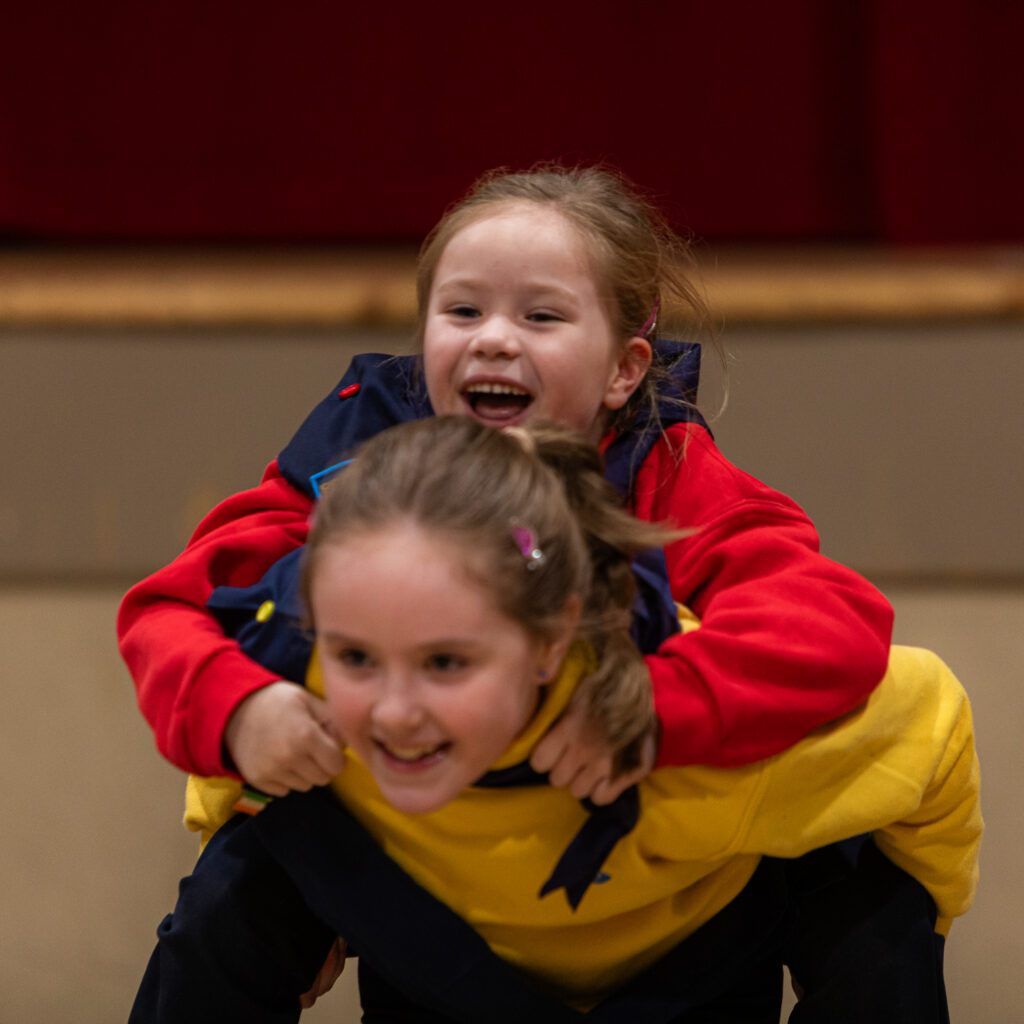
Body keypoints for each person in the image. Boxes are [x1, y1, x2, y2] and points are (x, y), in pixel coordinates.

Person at [131, 417, 981, 1024]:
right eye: (356, 659)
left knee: (879, 910)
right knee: (236, 886)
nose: (391, 710)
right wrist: (243, 750)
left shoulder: (695, 750)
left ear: (549, 644)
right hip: (442, 966)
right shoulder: (305, 688)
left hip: (683, 972)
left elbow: (930, 719)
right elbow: (219, 730)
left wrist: (932, 911)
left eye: (446, 663)